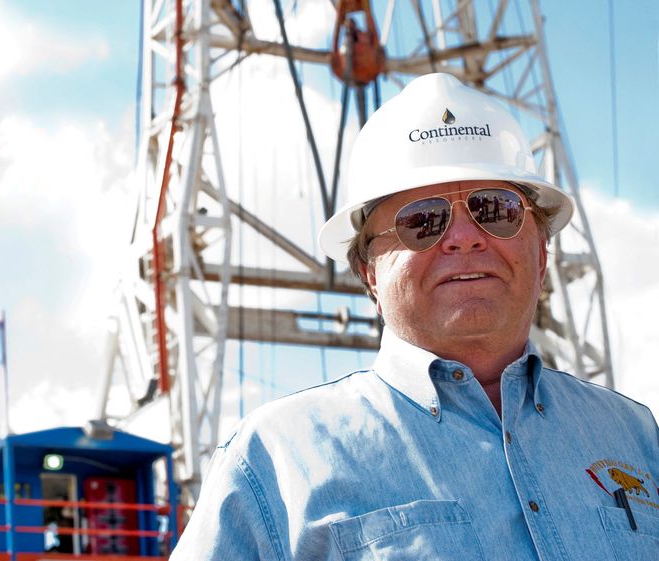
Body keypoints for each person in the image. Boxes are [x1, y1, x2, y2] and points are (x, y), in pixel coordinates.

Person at [170, 73, 659, 560]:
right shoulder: (272, 463)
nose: (465, 237)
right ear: (370, 274)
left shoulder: (637, 437)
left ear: (542, 254)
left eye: (496, 210)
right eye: (422, 221)